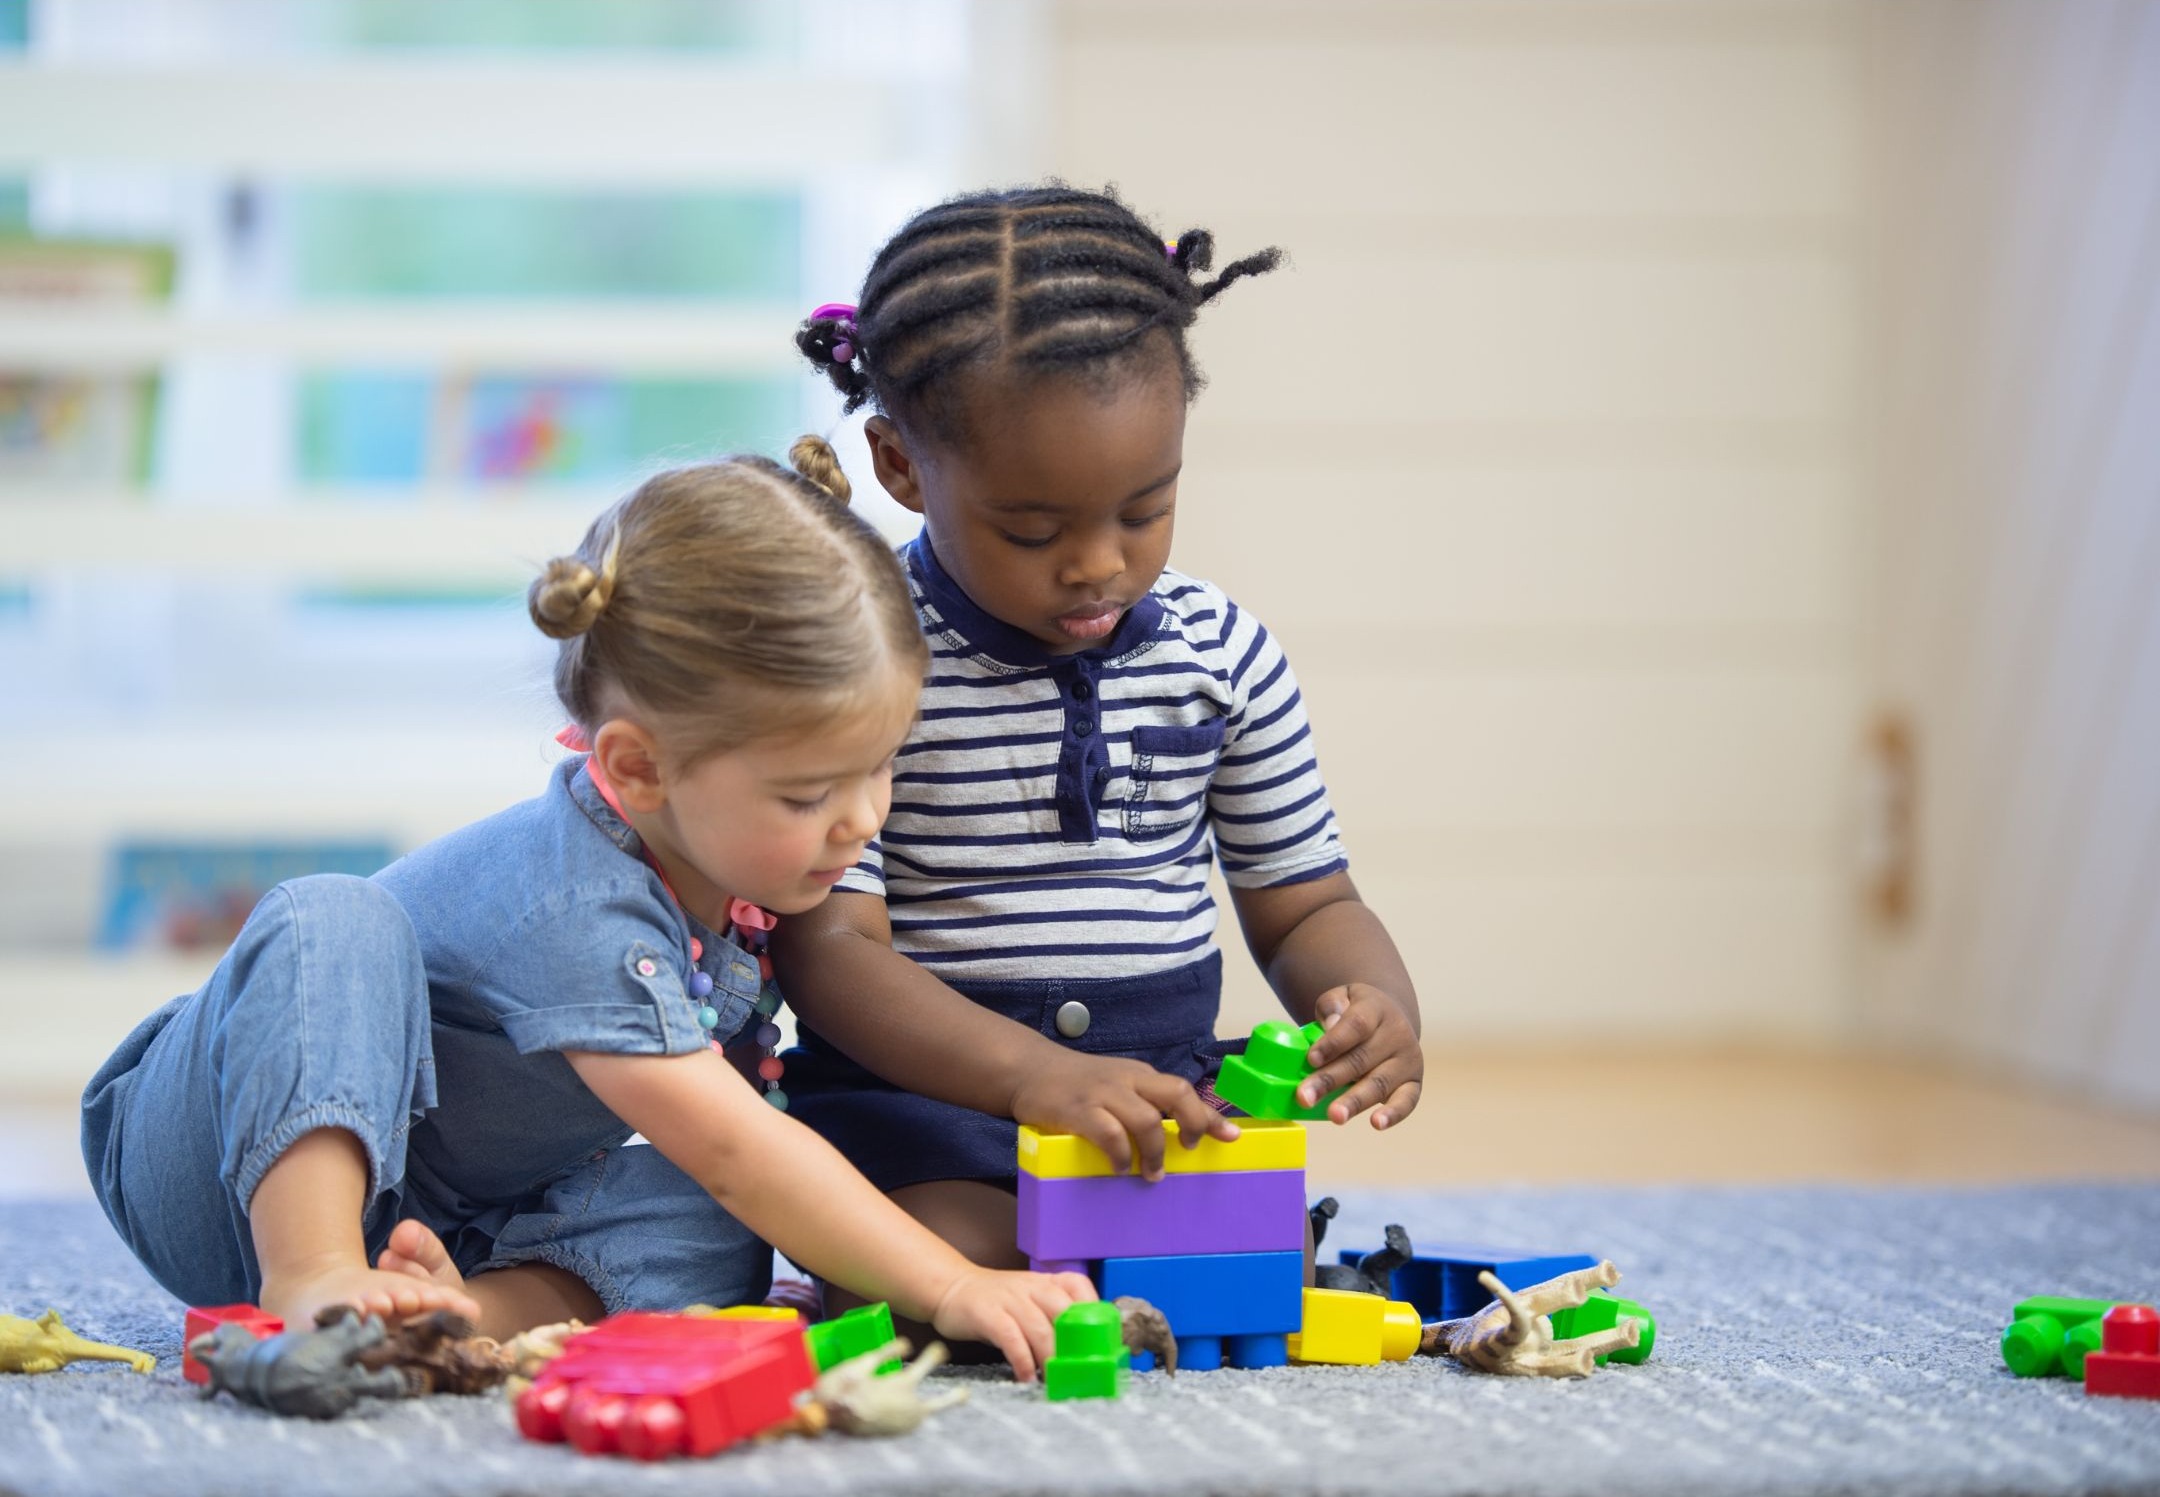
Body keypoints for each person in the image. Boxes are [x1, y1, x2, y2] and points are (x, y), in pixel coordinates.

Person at [79, 438, 1090, 1378]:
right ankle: (315, 1279)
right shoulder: (580, 906)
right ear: (638, 768)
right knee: (332, 918)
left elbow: (732, 1161)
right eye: (806, 796)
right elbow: (742, 1144)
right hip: (214, 1161)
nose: (861, 821)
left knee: (717, 1226)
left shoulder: (726, 869)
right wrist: (952, 1282)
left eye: (880, 770)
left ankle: (453, 1317)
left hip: (448, 1207)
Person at [775, 186, 1424, 1308]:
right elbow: (830, 952)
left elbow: (1306, 904)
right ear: (902, 466)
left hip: (1153, 1105)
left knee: (1249, 1268)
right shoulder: (869, 668)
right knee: (947, 1255)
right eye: (1032, 530)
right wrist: (1033, 1080)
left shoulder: (1224, 657)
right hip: (933, 1110)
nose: (1097, 566)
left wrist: (1371, 1002)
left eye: (1145, 509)